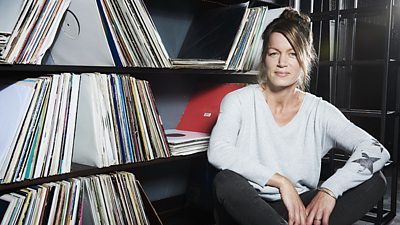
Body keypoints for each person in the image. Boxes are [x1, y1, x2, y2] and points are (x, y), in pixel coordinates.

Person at [208, 7, 390, 225]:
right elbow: (218, 151)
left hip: (299, 211)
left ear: (305, 58)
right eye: (274, 53)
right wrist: (281, 183)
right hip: (248, 207)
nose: (282, 62)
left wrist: (331, 190)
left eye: (292, 53)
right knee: (225, 180)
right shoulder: (238, 100)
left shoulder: (319, 111)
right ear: (265, 57)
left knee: (374, 180)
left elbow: (377, 150)